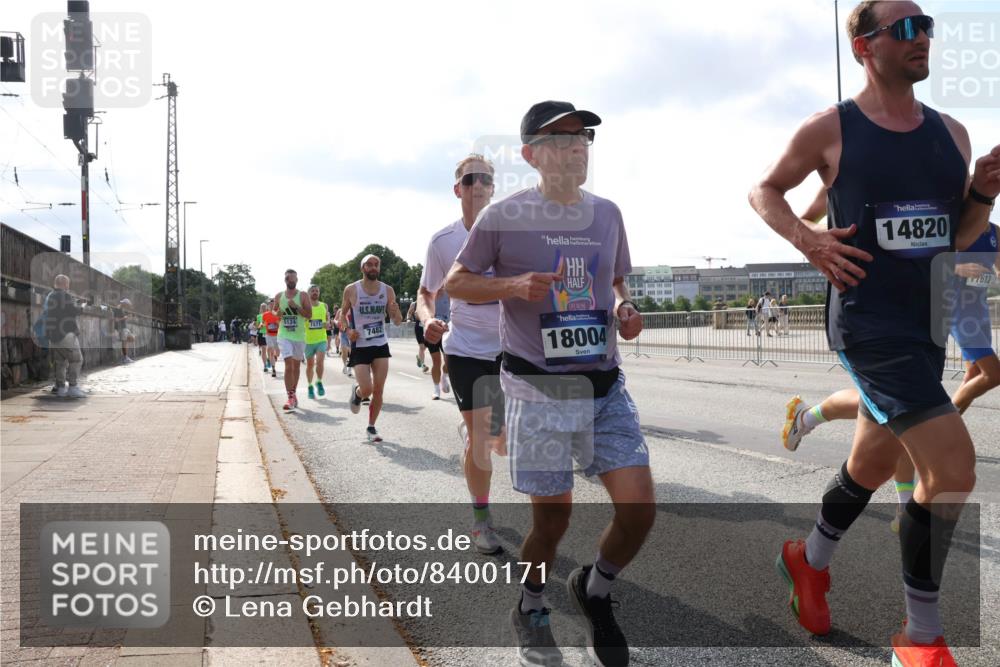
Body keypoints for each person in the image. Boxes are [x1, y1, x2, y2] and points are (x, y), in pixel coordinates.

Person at [748, 3, 999, 663]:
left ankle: (809, 558)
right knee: (951, 469)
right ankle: (920, 639)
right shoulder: (831, 129)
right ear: (864, 46)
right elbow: (765, 191)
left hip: (924, 327)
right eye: (906, 28)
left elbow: (958, 239)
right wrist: (808, 239)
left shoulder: (953, 135)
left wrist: (981, 197)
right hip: (866, 326)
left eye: (928, 27)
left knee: (872, 460)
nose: (924, 38)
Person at [446, 100, 653, 667]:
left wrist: (626, 308)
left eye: (583, 136)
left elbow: (615, 282)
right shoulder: (503, 217)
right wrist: (512, 287)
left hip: (605, 386)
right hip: (536, 389)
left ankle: (596, 588)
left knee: (639, 510)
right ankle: (531, 603)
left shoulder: (608, 213)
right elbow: (456, 282)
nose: (577, 145)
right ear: (531, 154)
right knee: (552, 520)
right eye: (562, 139)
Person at [419, 153, 507, 555]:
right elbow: (427, 293)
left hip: (511, 349)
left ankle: (476, 444)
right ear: (458, 189)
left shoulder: (513, 234)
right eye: (471, 179)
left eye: (486, 180)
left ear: (493, 188)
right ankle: (481, 520)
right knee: (483, 437)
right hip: (466, 347)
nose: (478, 186)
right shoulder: (443, 241)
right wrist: (427, 320)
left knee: (500, 440)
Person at [341, 254, 403, 442]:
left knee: (378, 389)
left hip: (380, 344)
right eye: (369, 264)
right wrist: (348, 330)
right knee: (367, 389)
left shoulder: (387, 290)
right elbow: (340, 317)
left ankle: (371, 427)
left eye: (376, 265)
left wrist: (395, 312)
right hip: (360, 345)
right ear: (363, 268)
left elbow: (398, 321)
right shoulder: (352, 290)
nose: (373, 267)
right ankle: (358, 393)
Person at [274, 269, 313, 410]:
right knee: (288, 364)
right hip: (284, 334)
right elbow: (275, 313)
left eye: (293, 279)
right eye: (288, 279)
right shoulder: (279, 296)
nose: (290, 281)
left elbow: (309, 314)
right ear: (285, 280)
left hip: (299, 336)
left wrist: (296, 307)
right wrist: (277, 313)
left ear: (296, 280)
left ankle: (293, 394)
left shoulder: (303, 296)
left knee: (296, 367)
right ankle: (290, 397)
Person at [45, 274, 87, 398]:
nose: (69, 286)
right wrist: (82, 307)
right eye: (68, 284)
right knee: (76, 360)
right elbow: (74, 311)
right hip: (66, 335)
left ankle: (61, 388)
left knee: (60, 362)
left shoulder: (49, 296)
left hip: (53, 337)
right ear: (65, 284)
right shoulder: (65, 295)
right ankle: (73, 387)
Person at [304, 285, 330, 400]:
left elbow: (327, 319)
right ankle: (310, 386)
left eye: (317, 291)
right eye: (313, 291)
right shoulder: (304, 307)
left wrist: (328, 323)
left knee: (320, 362)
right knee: (310, 365)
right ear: (308, 293)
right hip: (308, 341)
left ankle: (319, 382)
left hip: (321, 339)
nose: (315, 292)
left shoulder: (324, 305)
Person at [407, 301, 429, 372]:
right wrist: (408, 319)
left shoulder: (429, 302)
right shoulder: (414, 304)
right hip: (419, 327)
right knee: (422, 347)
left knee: (425, 346)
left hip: (427, 327)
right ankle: (423, 366)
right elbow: (409, 313)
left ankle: (419, 358)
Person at [112, 298, 135, 363]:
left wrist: (127, 317)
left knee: (132, 338)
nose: (128, 307)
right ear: (124, 304)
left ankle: (125, 357)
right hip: (121, 328)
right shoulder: (117, 309)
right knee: (125, 341)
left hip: (124, 328)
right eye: (127, 305)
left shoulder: (122, 309)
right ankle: (125, 357)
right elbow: (116, 320)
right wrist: (124, 318)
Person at [262, 299, 280, 377]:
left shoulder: (278, 314)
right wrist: (262, 325)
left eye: (273, 304)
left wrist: (277, 325)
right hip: (268, 335)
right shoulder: (265, 315)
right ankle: (273, 369)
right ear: (268, 306)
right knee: (271, 351)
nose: (272, 306)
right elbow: (263, 323)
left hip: (277, 335)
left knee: (277, 353)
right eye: (270, 304)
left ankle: (273, 357)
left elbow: (281, 325)